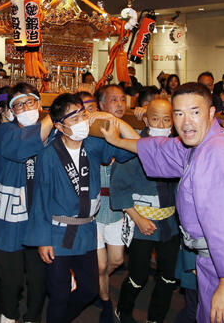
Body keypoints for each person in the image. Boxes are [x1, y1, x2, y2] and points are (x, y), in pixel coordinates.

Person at [102, 82, 224, 323]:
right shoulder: (202, 144)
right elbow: (161, 149)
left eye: (195, 112)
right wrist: (118, 142)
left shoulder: (218, 156)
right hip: (214, 264)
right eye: (179, 113)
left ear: (212, 113)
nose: (186, 121)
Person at [25, 94, 136, 322]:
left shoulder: (94, 145)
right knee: (58, 294)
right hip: (58, 233)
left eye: (83, 113)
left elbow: (134, 148)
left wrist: (116, 121)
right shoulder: (48, 155)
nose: (82, 120)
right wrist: (43, 240)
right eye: (74, 117)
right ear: (59, 126)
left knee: (90, 289)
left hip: (86, 231)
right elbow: (41, 200)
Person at [0, 82, 54, 323]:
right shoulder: (2, 132)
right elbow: (22, 148)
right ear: (11, 110)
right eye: (18, 104)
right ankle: (8, 315)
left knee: (39, 278)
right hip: (9, 218)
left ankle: (32, 317)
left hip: (39, 218)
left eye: (30, 101)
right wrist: (54, 115)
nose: (26, 107)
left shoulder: (53, 131)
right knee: (11, 279)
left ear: (39, 103)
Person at [110, 99, 180, 323]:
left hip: (170, 221)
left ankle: (156, 317)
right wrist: (138, 219)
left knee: (168, 277)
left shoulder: (180, 145)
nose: (161, 123)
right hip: (140, 220)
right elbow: (118, 187)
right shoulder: (134, 144)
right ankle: (124, 310)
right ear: (146, 119)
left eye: (167, 119)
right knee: (138, 276)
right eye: (156, 118)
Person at [95, 84, 129, 322]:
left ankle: (97, 282)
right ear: (102, 104)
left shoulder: (130, 133)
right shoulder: (90, 131)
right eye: (113, 100)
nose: (119, 104)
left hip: (118, 207)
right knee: (100, 264)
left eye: (122, 99)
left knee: (116, 259)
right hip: (94, 209)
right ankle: (106, 303)